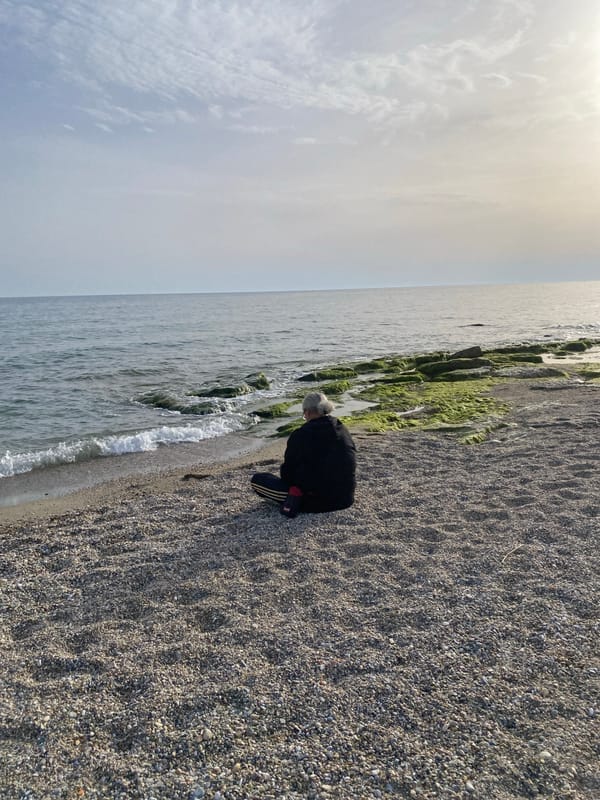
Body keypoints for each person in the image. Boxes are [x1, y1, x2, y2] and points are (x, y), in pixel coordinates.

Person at [251, 391, 356, 517]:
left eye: (304, 414)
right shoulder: (342, 429)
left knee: (257, 480)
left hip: (316, 502)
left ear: (307, 412)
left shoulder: (300, 435)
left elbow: (287, 474)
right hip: (346, 497)